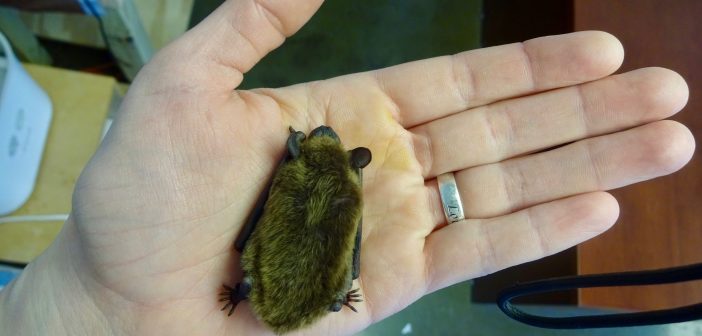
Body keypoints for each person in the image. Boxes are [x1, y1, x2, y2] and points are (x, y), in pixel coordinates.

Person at [0, 1, 694, 335]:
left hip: (285, 294)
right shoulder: (341, 188)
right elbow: (295, 237)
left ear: (294, 158)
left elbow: (277, 226)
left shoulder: (303, 175)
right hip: (285, 300)